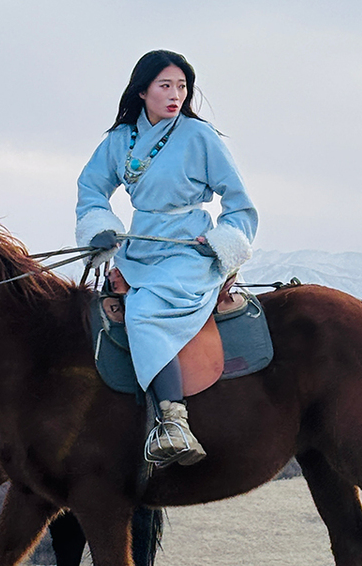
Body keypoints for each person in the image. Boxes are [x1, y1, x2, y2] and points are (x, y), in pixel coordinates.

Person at [76, 50, 258, 467]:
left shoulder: (200, 137)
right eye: (165, 86)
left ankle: (173, 422)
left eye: (182, 86)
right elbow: (90, 188)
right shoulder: (120, 140)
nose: (176, 94)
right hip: (139, 247)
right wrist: (101, 226)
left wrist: (221, 241)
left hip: (189, 250)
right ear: (142, 91)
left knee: (143, 312)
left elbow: (239, 202)